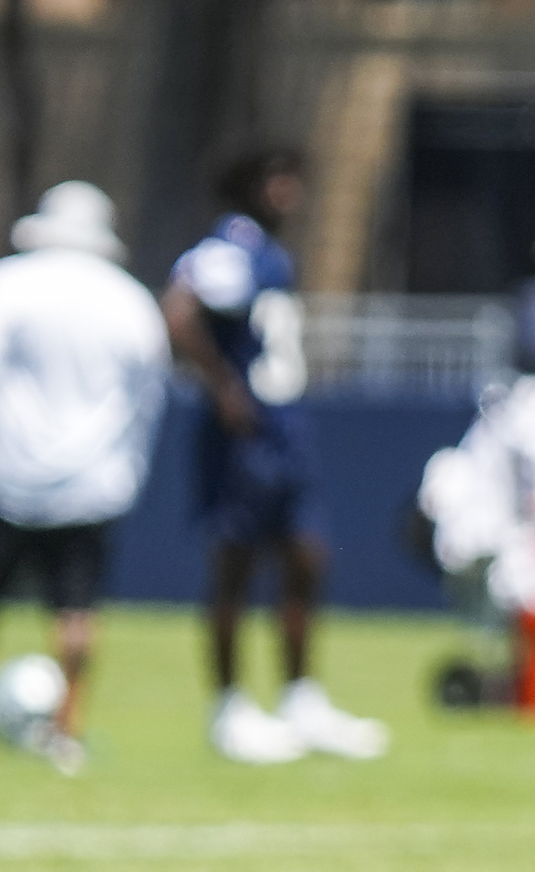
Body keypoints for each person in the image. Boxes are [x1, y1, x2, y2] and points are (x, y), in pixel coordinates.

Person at [164, 143, 384, 761]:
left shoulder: (270, 253)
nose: (288, 192)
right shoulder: (230, 247)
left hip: (286, 430)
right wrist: (222, 386)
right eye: (274, 178)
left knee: (306, 558)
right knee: (235, 566)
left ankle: (300, 697)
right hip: (246, 437)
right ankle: (229, 705)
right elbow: (179, 311)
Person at [0, 181, 172, 763]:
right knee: (76, 608)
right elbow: (150, 397)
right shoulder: (130, 300)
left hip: (6, 468)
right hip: (92, 480)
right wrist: (130, 469)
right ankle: (66, 731)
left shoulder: (7, 283)